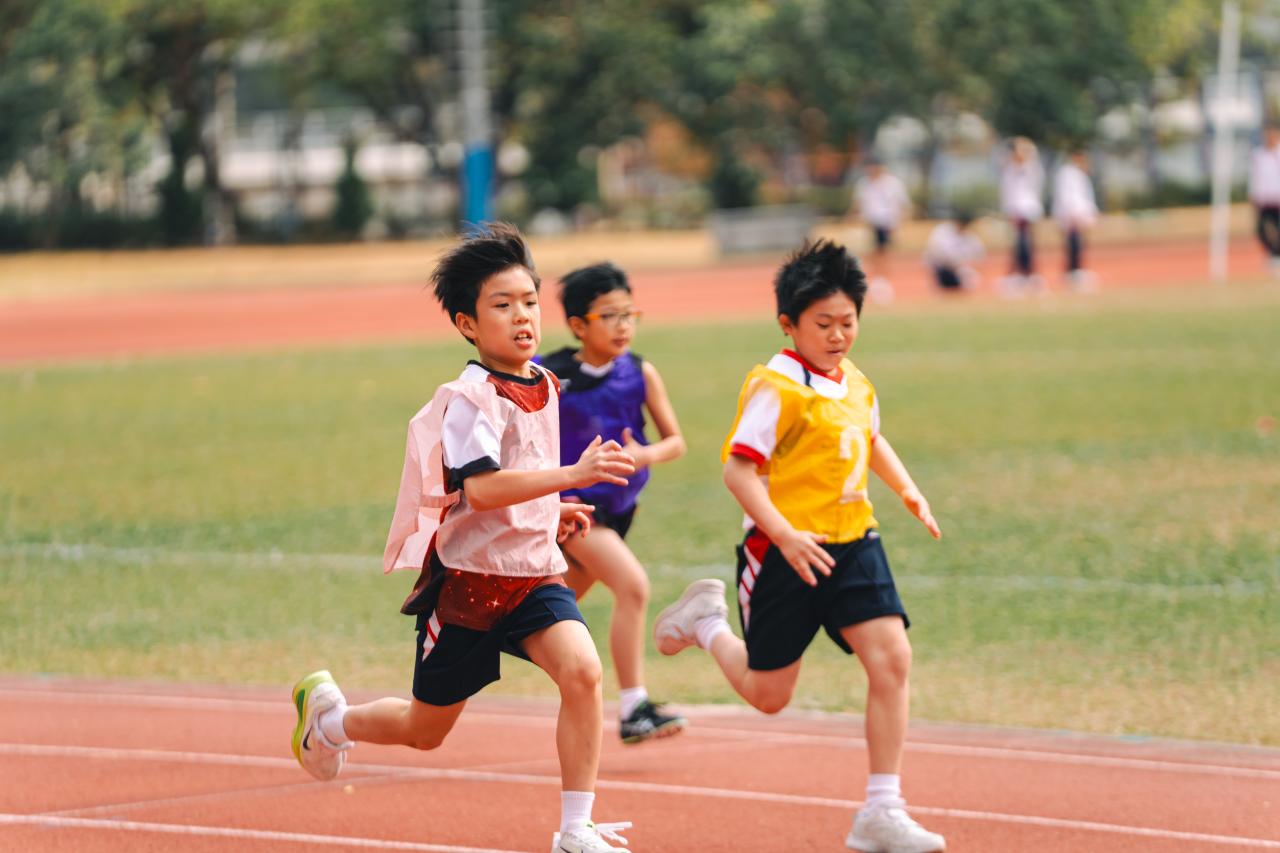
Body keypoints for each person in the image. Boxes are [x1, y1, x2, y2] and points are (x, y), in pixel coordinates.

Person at [290, 223, 637, 853]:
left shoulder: (544, 383)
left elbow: (521, 477)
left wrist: (553, 510)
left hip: (534, 575)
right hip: (469, 589)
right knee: (425, 731)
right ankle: (331, 720)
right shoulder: (470, 399)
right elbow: (482, 488)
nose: (522, 316)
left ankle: (575, 830)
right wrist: (571, 475)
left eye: (529, 301)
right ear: (467, 324)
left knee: (583, 672)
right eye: (502, 305)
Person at [652, 240, 946, 853]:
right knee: (769, 696)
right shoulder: (775, 387)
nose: (838, 336)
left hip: (854, 541)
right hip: (782, 551)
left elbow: (871, 439)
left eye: (848, 322)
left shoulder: (855, 381)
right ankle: (705, 623)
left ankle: (881, 810)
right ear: (788, 324)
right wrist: (783, 534)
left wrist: (908, 489)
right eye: (823, 324)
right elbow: (737, 471)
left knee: (892, 658)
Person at [536, 262, 689, 745]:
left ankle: (480, 644)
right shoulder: (548, 375)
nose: (623, 326)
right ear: (578, 325)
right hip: (575, 509)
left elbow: (676, 441)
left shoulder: (640, 372)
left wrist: (645, 454)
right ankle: (634, 707)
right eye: (609, 316)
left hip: (621, 512)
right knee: (633, 586)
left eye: (629, 314)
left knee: (549, 610)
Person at [853, 159, 912, 303]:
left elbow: (902, 203)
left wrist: (900, 221)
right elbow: (859, 202)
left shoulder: (893, 183)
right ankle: (879, 279)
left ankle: (882, 280)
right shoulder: (864, 183)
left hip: (887, 221)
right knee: (877, 252)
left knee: (883, 252)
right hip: (872, 222)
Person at [999, 136, 1045, 295]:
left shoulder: (1032, 168)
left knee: (1027, 244)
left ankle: (1028, 274)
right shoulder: (1009, 169)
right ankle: (1017, 274)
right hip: (1015, 211)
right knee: (1017, 245)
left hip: (1028, 210)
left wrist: (1024, 145)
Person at [1052, 150, 1100, 291]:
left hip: (1077, 214)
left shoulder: (1078, 174)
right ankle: (1073, 271)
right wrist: (1076, 213)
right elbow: (1069, 197)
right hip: (1072, 215)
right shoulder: (1067, 174)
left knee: (1078, 244)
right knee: (1074, 244)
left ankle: (1075, 270)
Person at [923, 212, 984, 292]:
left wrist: (966, 264)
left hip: (959, 269)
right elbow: (936, 253)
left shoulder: (969, 237)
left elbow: (979, 254)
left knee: (971, 280)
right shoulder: (942, 232)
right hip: (941, 267)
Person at [1248, 124, 1280, 275]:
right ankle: (1274, 255)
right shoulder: (1258, 154)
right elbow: (1255, 177)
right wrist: (1254, 195)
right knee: (1262, 229)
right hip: (1265, 198)